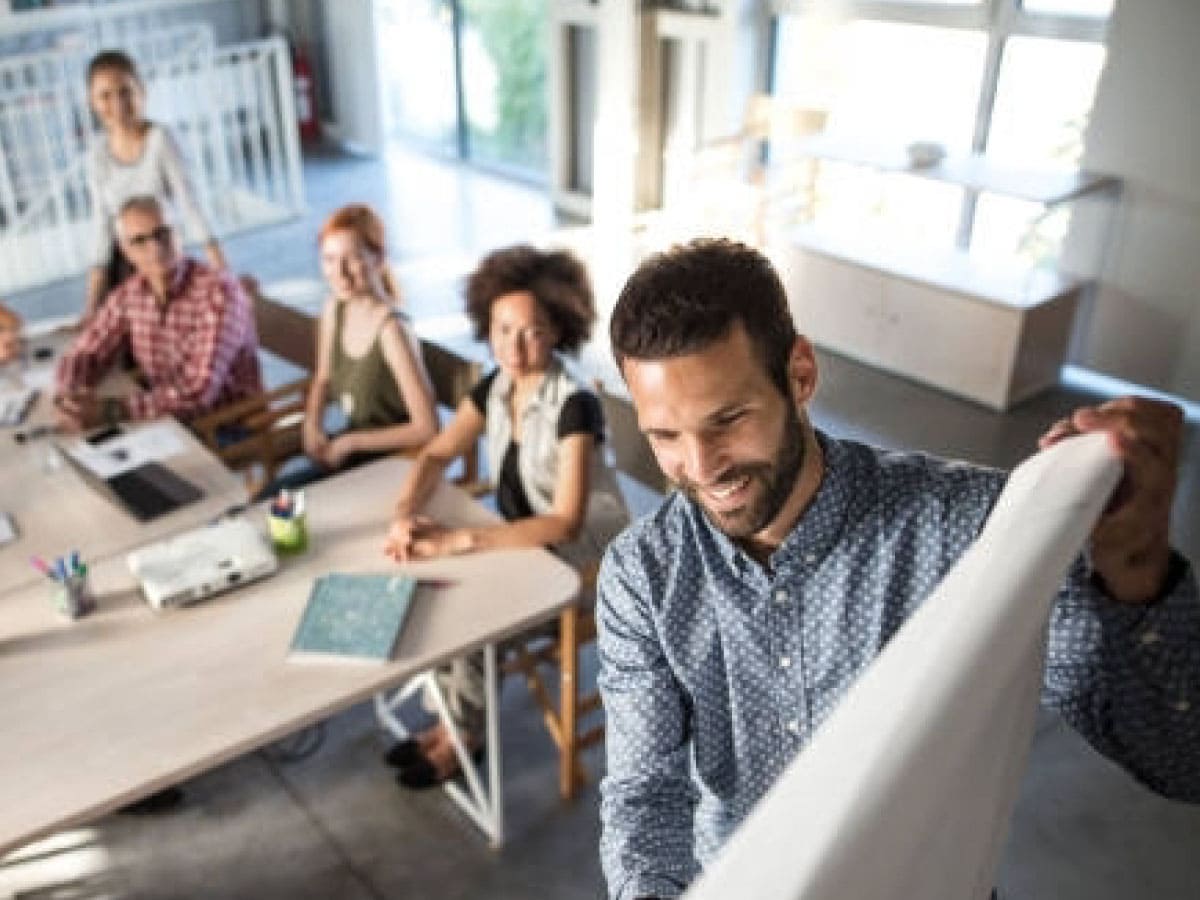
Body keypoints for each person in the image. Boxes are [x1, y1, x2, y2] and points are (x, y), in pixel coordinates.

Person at [596, 238, 1198, 900]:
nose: (703, 466)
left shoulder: (969, 529)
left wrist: (1135, 571)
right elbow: (644, 795)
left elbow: (1182, 758)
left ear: (799, 374)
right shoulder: (641, 576)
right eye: (666, 436)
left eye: (729, 419)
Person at [383, 244, 629, 788]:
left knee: (471, 613)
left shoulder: (575, 405)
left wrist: (458, 541)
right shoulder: (495, 385)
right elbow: (437, 453)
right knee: (436, 587)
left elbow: (565, 522)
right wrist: (404, 512)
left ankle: (462, 735)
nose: (514, 347)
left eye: (532, 330)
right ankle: (451, 719)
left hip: (584, 562)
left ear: (559, 329)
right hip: (525, 541)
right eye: (502, 329)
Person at [55, 195, 262, 430]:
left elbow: (198, 393)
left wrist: (111, 410)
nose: (154, 248)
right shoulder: (131, 292)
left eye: (162, 233)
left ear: (179, 234)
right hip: (166, 419)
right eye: (139, 241)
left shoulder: (219, 293)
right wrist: (69, 395)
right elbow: (87, 350)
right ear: (126, 252)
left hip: (225, 425)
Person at [292, 204, 437, 485]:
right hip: (352, 455)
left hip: (392, 463)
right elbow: (323, 378)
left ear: (378, 259)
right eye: (330, 259)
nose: (340, 273)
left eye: (353, 258)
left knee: (283, 507)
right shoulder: (335, 307)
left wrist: (350, 443)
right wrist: (312, 425)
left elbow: (427, 428)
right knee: (271, 505)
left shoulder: (393, 330)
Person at [83, 50, 226, 322]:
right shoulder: (96, 155)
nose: (118, 103)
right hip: (124, 266)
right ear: (91, 102)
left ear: (142, 91)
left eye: (126, 91)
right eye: (105, 95)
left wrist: (223, 274)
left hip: (164, 258)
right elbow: (100, 227)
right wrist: (91, 306)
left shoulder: (161, 139)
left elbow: (190, 204)